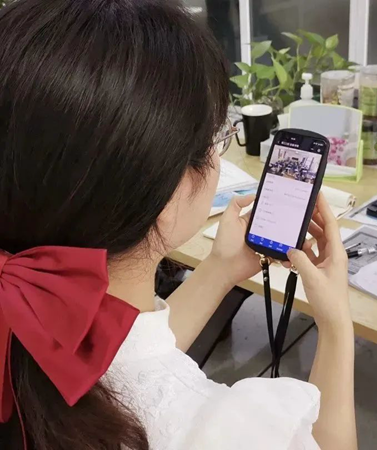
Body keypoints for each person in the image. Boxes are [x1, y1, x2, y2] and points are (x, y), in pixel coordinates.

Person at [0, 0, 357, 449]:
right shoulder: (222, 430)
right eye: (215, 138)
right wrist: (337, 324)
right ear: (165, 195)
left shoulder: (31, 319)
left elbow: (129, 358)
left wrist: (221, 268)